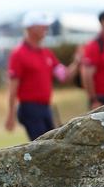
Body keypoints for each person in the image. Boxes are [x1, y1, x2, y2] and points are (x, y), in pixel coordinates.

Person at [4, 11, 68, 140]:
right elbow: (13, 86)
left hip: (46, 107)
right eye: (42, 26)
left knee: (52, 144)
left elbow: (63, 76)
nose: (46, 28)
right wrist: (10, 114)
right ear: (31, 28)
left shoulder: (46, 53)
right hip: (29, 108)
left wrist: (79, 62)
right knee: (43, 148)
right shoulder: (19, 54)